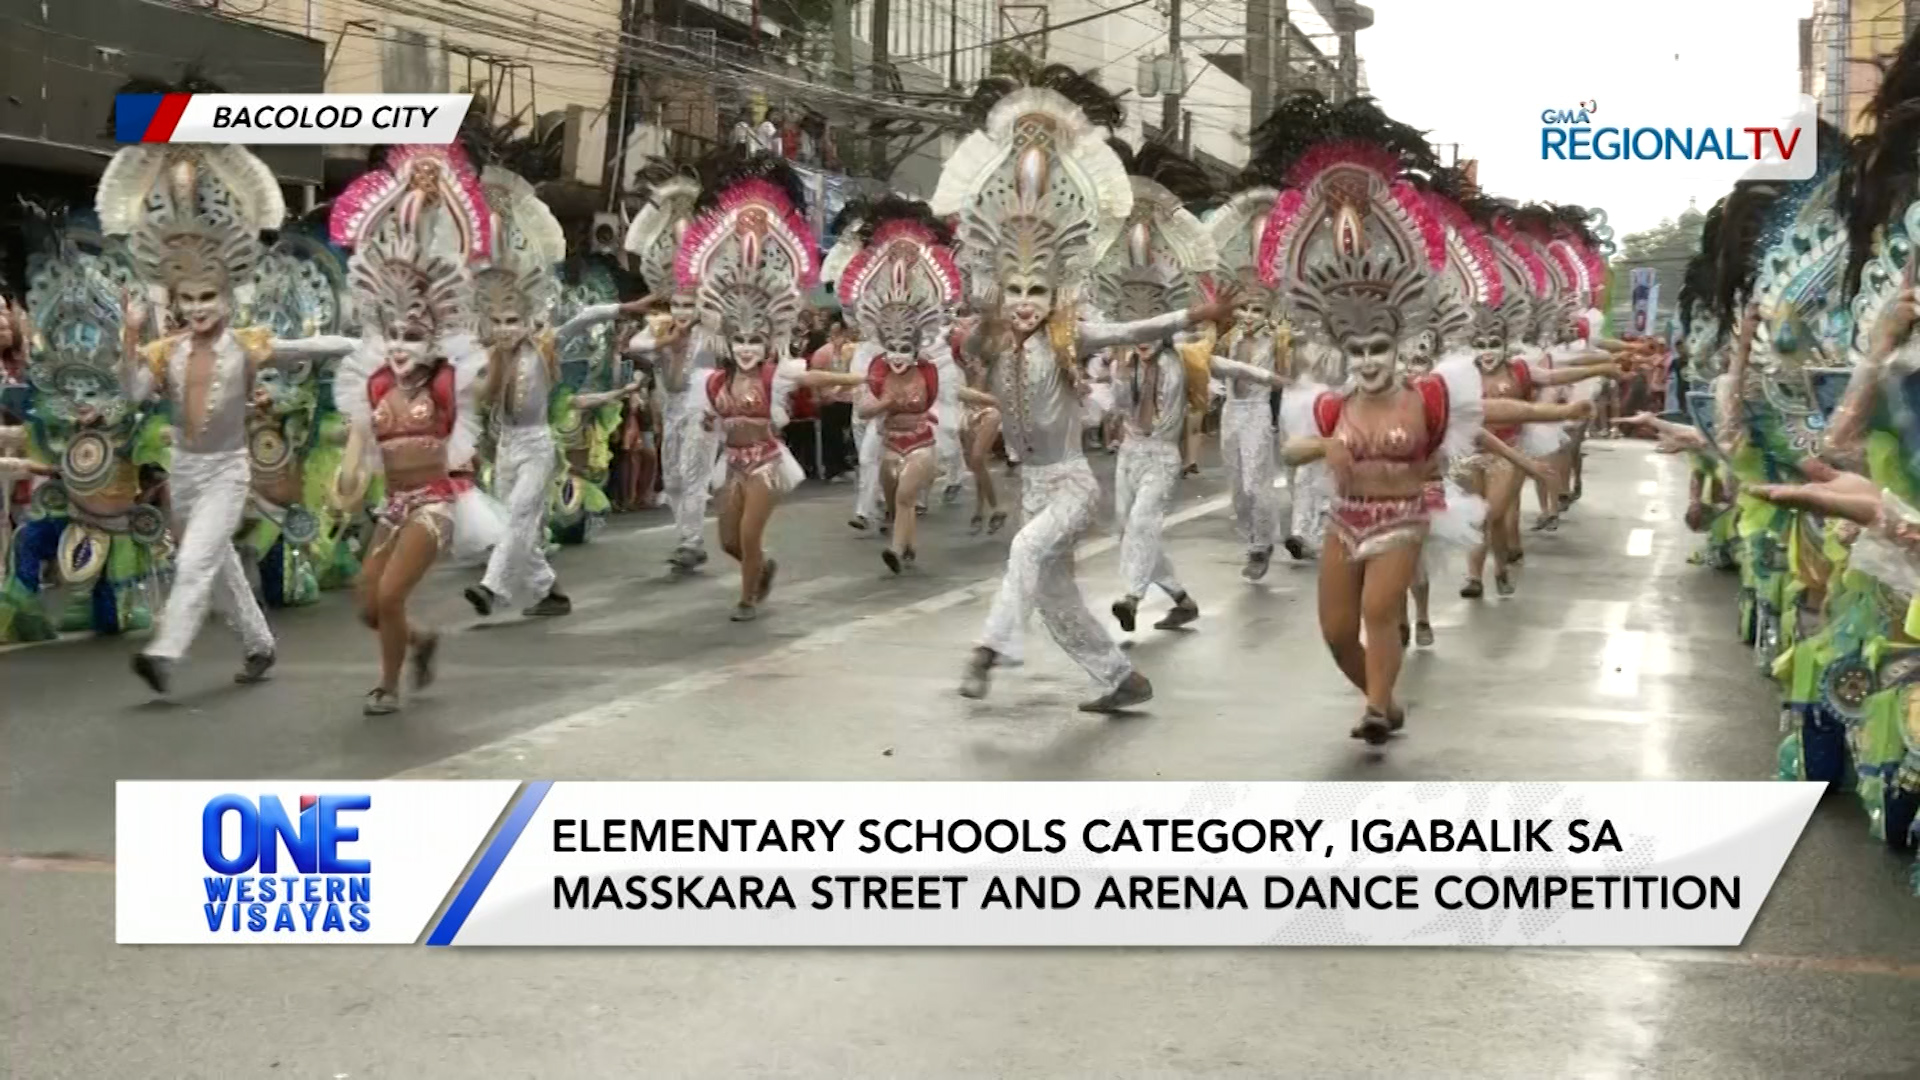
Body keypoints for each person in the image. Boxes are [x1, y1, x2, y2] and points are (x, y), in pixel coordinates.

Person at [935, 71, 1235, 712]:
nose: (1022, 304)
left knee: (1022, 549)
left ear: (1054, 294)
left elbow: (1136, 325)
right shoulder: (998, 339)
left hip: (1072, 484)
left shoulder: (1074, 335)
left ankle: (987, 650)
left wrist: (1192, 319)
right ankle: (1122, 679)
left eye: (1034, 293)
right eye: (1014, 293)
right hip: (1033, 486)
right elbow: (962, 329)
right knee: (1056, 600)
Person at [100, 144, 360, 694]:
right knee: (216, 564)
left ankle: (165, 652)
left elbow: (309, 346)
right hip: (186, 471)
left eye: (208, 297)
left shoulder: (248, 346)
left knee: (195, 560)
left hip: (226, 470)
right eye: (189, 298)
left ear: (227, 297)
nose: (198, 307)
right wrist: (129, 334)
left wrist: (368, 345)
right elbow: (130, 392)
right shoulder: (165, 352)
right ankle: (259, 643)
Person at [327, 147, 506, 715]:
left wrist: (498, 356)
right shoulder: (375, 383)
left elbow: (485, 392)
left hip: (434, 504)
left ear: (429, 339)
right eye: (394, 335)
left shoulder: (447, 381)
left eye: (413, 335)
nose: (402, 346)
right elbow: (359, 433)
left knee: (389, 594)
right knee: (367, 605)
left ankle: (388, 685)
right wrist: (349, 470)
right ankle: (422, 641)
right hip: (392, 505)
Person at [661, 149, 866, 620]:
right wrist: (672, 350)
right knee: (729, 540)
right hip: (731, 466)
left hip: (768, 466)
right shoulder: (715, 380)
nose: (749, 348)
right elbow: (677, 385)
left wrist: (861, 377)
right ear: (731, 343)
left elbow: (816, 374)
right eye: (742, 342)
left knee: (749, 534)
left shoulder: (775, 372)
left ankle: (747, 597)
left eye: (757, 340)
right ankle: (760, 567)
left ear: (766, 340)